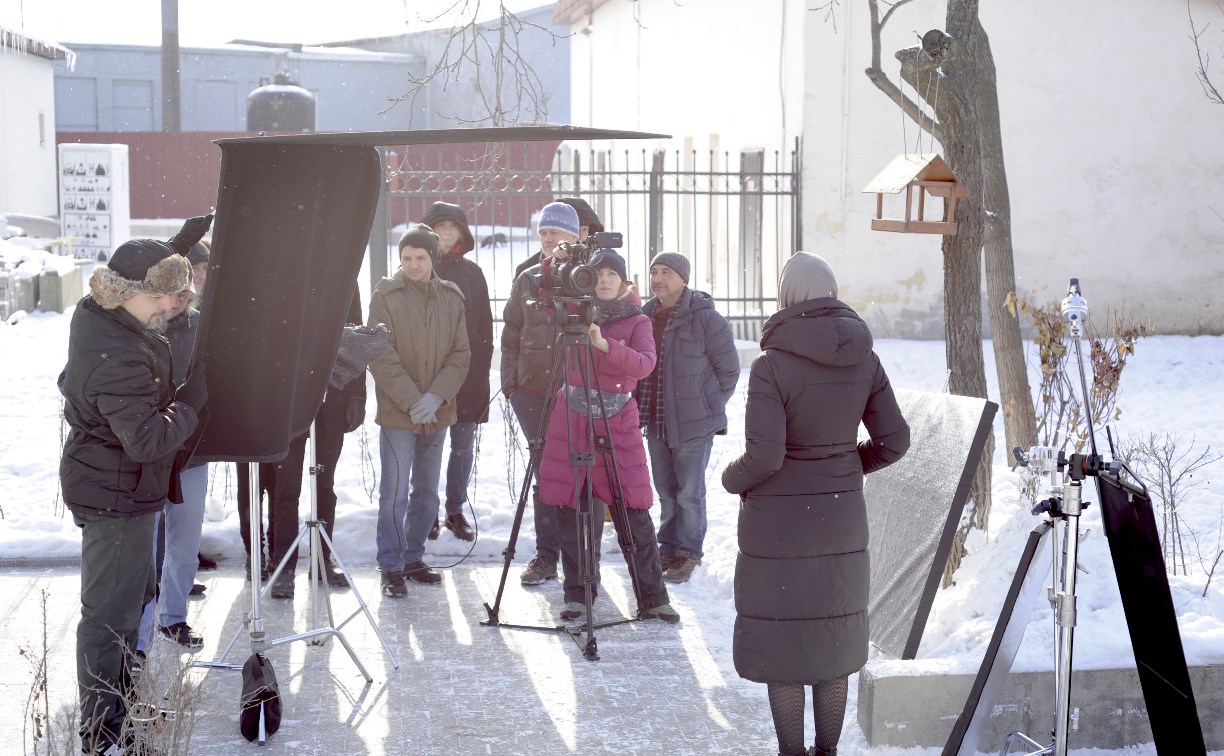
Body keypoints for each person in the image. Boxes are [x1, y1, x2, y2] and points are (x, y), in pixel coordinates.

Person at [720, 252, 910, 756]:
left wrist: (728, 479)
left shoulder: (770, 365)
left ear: (786, 297)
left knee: (785, 649)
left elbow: (764, 457)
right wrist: (844, 468)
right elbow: (895, 441)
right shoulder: (865, 358)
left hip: (779, 528)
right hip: (839, 522)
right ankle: (828, 751)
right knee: (831, 645)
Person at [59, 214, 212, 754]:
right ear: (130, 294)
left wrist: (173, 250)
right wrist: (191, 401)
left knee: (129, 607)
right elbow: (147, 439)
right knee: (110, 618)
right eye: (163, 300)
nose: (171, 309)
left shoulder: (111, 315)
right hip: (115, 492)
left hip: (122, 486)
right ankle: (102, 735)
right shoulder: (118, 353)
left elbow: (139, 274)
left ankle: (119, 718)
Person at [537, 248, 680, 624]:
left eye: (610, 275)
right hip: (572, 420)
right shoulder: (572, 310)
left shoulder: (637, 320)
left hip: (618, 420)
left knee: (632, 511)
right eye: (596, 273)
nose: (603, 280)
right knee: (572, 511)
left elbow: (644, 365)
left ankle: (653, 598)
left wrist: (603, 343)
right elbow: (542, 293)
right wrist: (555, 260)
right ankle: (578, 597)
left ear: (623, 281)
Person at [368, 224, 470, 596]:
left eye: (420, 258)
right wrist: (413, 400)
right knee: (394, 492)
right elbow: (380, 352)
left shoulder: (451, 296)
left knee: (426, 492)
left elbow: (461, 353)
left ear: (433, 259)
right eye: (406, 258)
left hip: (437, 413)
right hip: (399, 413)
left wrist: (437, 396)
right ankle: (391, 564)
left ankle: (413, 557)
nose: (413, 265)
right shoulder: (386, 294)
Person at [635, 252, 739, 584]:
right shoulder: (645, 317)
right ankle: (667, 548)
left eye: (666, 272)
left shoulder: (707, 319)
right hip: (655, 420)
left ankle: (689, 552)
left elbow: (729, 372)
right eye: (654, 272)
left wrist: (707, 407)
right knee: (665, 490)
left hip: (695, 425)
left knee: (689, 493)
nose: (658, 278)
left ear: (683, 279)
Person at [264, 286, 367, 598]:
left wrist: (358, 392)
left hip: (333, 397)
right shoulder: (286, 270)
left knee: (324, 484)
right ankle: (283, 567)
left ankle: (323, 561)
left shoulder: (343, 271)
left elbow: (356, 338)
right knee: (287, 486)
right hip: (288, 398)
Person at [501, 201, 583, 586]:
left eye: (557, 232)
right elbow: (511, 334)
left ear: (574, 235)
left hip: (577, 393)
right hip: (531, 391)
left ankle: (580, 561)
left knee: (579, 472)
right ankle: (546, 556)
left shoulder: (588, 276)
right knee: (544, 473)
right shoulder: (528, 278)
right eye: (544, 233)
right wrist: (511, 385)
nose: (549, 239)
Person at [135, 281, 209, 660]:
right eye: (172, 291)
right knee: (143, 550)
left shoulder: (205, 326)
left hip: (192, 453)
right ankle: (140, 632)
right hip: (147, 455)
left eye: (185, 292)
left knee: (185, 544)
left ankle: (173, 617)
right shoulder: (141, 324)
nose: (178, 300)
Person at [423, 201, 493, 542]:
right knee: (430, 446)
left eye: (452, 228)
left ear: (461, 233)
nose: (446, 234)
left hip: (469, 376)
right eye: (440, 227)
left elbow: (484, 325)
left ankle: (455, 510)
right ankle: (427, 511)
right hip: (432, 377)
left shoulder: (473, 273)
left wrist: (479, 367)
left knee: (462, 447)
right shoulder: (420, 270)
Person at [513, 196, 603, 279]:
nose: (579, 236)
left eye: (583, 230)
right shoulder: (526, 271)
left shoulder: (598, 266)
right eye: (543, 233)